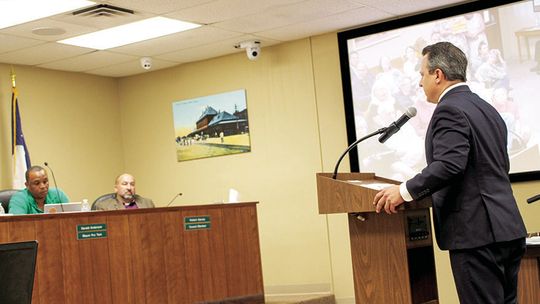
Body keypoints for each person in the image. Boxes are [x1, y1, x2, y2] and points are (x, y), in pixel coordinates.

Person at [372, 42, 526, 304]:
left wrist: (403, 191)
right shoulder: (487, 109)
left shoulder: (449, 109)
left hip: (476, 234)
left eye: (422, 74)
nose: (420, 82)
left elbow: (450, 164)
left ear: (438, 74)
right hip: (507, 228)